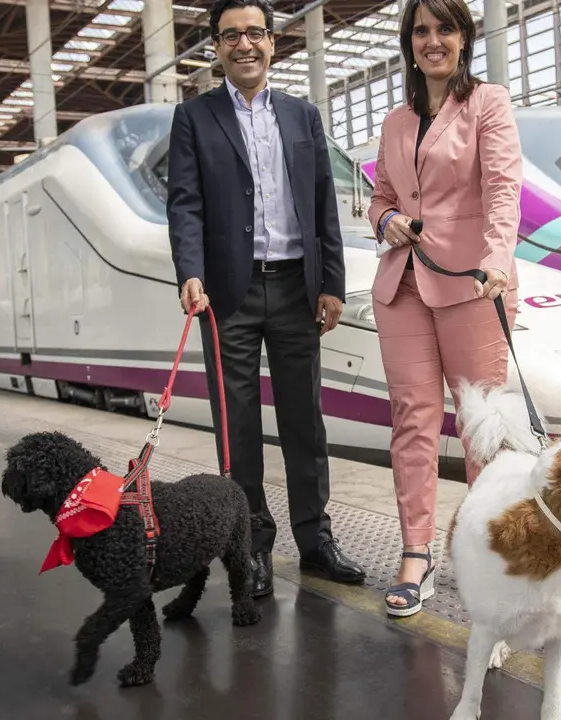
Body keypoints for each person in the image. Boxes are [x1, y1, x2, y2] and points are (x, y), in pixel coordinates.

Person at [166, 0, 366, 597]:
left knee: (304, 421)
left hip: (295, 285)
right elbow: (185, 203)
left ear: (274, 44)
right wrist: (190, 271)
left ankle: (316, 541)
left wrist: (332, 280)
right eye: (231, 36)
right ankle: (249, 545)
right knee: (239, 428)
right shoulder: (193, 118)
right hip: (227, 293)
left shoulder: (303, 116)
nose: (244, 45)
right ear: (217, 48)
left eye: (255, 33)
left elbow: (323, 202)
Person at [366, 0, 524, 617]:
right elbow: (379, 196)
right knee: (412, 420)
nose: (433, 40)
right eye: (421, 30)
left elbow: (504, 187)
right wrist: (389, 219)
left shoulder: (489, 102)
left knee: (482, 428)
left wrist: (497, 259)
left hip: (471, 283)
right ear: (409, 43)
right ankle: (416, 552)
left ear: (464, 38)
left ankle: (486, 552)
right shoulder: (396, 119)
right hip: (402, 286)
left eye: (445, 29)